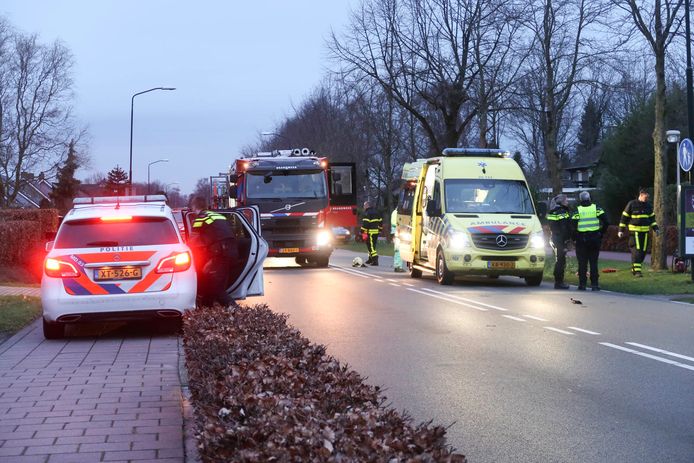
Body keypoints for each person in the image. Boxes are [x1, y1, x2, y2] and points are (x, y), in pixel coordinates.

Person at [189, 196, 237, 306]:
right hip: (232, 251)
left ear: (194, 207)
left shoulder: (201, 218)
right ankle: (207, 309)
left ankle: (235, 310)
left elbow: (193, 240)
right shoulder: (219, 216)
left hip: (220, 253)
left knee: (216, 289)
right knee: (210, 285)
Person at [571, 191, 609, 291]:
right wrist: (601, 232)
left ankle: (582, 285)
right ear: (589, 199)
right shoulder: (597, 209)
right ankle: (595, 285)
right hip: (595, 238)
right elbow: (606, 221)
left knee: (582, 263)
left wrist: (574, 238)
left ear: (580, 200)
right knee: (593, 262)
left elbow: (572, 226)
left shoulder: (577, 211)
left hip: (581, 240)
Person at [618, 189, 660, 277]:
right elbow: (624, 218)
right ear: (641, 195)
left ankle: (634, 268)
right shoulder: (631, 204)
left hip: (645, 233)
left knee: (643, 252)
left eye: (648, 197)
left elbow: (652, 219)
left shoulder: (648, 206)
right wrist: (621, 230)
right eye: (646, 196)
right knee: (637, 251)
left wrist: (656, 229)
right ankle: (637, 272)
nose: (647, 198)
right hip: (634, 233)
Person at [547, 194, 572, 289]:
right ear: (561, 202)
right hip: (560, 239)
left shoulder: (552, 211)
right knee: (561, 261)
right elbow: (565, 228)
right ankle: (559, 282)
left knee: (559, 260)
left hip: (554, 238)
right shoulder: (562, 212)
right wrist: (566, 241)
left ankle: (558, 281)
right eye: (566, 201)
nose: (568, 202)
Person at [361, 201, 383, 265]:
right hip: (376, 232)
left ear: (367, 206)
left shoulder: (367, 213)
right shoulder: (377, 212)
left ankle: (375, 259)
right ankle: (370, 259)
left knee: (371, 246)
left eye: (364, 205)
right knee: (372, 245)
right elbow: (380, 222)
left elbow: (366, 223)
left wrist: (362, 231)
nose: (363, 207)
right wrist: (380, 229)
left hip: (370, 232)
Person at [391, 208, 404, 272]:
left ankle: (397, 266)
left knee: (397, 250)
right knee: (399, 251)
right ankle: (398, 267)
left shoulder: (394, 212)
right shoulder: (397, 213)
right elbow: (396, 224)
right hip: (398, 233)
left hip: (395, 233)